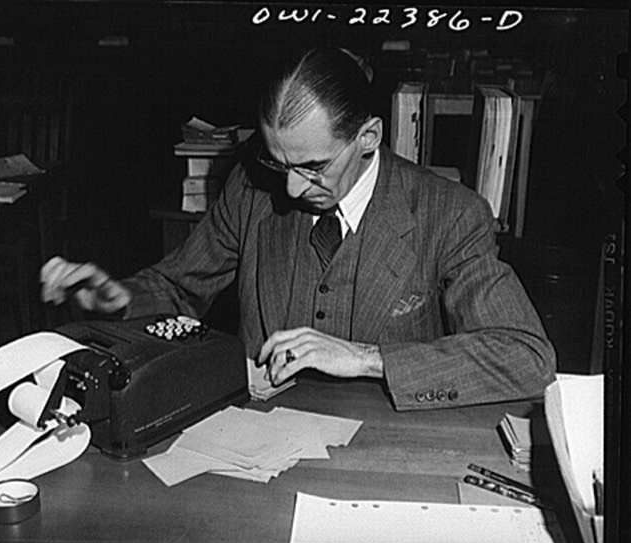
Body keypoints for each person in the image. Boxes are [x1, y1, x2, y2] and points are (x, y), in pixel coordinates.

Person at [40, 46, 556, 410]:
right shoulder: (250, 188)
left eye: (313, 167)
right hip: (254, 448)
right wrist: (119, 298)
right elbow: (177, 287)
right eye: (278, 163)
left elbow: (527, 357)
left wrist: (366, 359)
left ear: (369, 136)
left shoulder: (450, 214)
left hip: (383, 451)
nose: (289, 191)